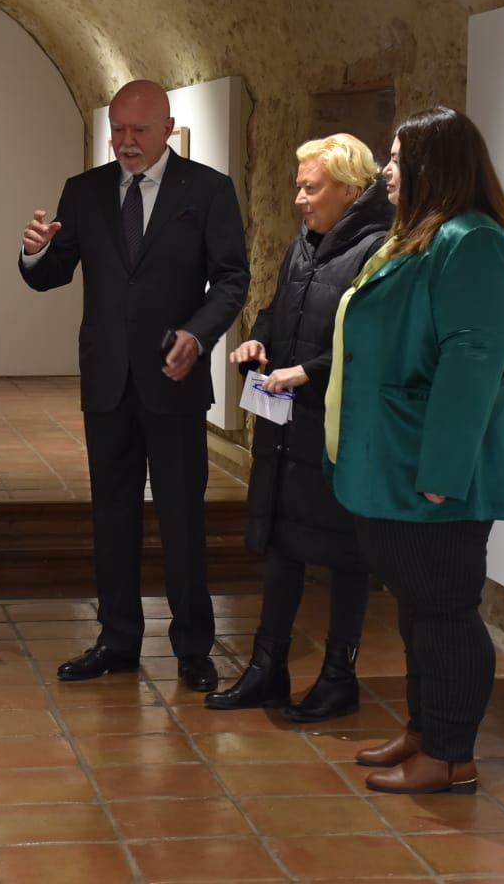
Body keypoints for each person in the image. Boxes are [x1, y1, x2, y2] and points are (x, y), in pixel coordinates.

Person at [322, 106, 504, 794]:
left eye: (394, 159)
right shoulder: (419, 237)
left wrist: (442, 473)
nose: (385, 171)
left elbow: (473, 363)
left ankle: (450, 754)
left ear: (431, 167)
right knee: (418, 608)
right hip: (396, 462)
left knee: (444, 609)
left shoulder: (471, 243)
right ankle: (423, 731)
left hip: (437, 473)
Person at [18, 80, 249, 692]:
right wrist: (35, 253)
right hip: (108, 382)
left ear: (167, 128)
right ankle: (117, 639)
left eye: (138, 131)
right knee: (112, 516)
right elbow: (52, 275)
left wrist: (197, 336)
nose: (125, 141)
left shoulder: (207, 191)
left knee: (181, 518)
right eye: (117, 129)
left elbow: (231, 279)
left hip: (174, 381)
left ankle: (193, 645)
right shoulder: (85, 191)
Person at [205, 134, 393, 720]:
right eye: (298, 187)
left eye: (310, 188)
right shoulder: (303, 246)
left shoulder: (377, 251)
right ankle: (268, 667)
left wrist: (306, 373)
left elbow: (372, 343)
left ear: (350, 190)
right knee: (282, 544)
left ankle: (340, 675)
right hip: (285, 424)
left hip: (336, 426)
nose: (299, 200)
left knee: (345, 554)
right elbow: (276, 307)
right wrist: (260, 337)